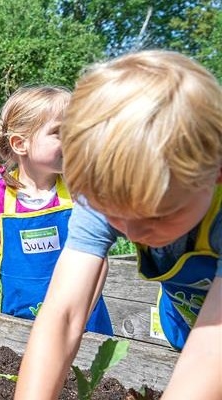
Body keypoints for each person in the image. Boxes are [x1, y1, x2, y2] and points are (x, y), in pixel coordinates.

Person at [15, 50, 222, 400]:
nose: (135, 234)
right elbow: (63, 315)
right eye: (113, 214)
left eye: (159, 215)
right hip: (187, 329)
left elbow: (213, 347)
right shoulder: (105, 186)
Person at [0, 86, 113, 340]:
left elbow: (98, 261)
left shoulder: (78, 194)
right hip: (19, 326)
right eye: (60, 133)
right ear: (20, 144)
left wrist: (79, 320)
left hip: (85, 326)